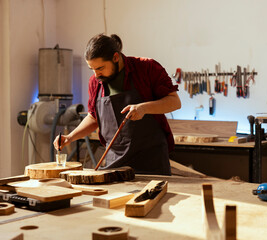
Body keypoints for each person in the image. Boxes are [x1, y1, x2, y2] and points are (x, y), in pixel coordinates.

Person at [54, 33, 181, 175]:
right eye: (93, 69)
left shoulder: (146, 68)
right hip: (115, 161)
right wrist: (70, 137)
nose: (96, 75)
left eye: (100, 68)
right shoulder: (95, 82)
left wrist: (144, 108)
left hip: (150, 161)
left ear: (115, 57)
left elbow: (174, 102)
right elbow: (94, 117)